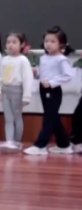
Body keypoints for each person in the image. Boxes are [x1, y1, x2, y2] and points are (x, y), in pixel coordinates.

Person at [24, 26, 74, 156]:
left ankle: (40, 145)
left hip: (53, 90)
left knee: (49, 118)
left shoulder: (61, 59)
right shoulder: (44, 57)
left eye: (52, 41)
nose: (48, 44)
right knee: (52, 117)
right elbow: (43, 73)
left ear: (61, 44)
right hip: (43, 89)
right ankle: (64, 144)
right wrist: (36, 73)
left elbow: (68, 75)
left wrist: (52, 83)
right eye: (46, 41)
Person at [0, 32, 33, 152]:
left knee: (17, 116)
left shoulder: (23, 60)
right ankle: (9, 141)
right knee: (8, 118)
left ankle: (17, 141)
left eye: (14, 42)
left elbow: (28, 79)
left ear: (22, 44)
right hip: (5, 90)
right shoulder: (4, 60)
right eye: (8, 42)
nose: (10, 45)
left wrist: (26, 96)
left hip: (17, 91)